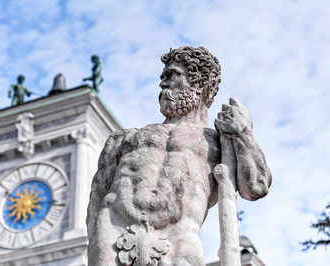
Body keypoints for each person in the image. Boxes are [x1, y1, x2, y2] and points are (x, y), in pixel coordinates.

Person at [86, 46, 272, 265]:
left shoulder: (219, 143)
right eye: (163, 77)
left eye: (172, 75)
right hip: (113, 236)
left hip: (179, 242)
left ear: (200, 83)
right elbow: (96, 199)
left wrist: (243, 133)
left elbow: (256, 187)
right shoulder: (124, 139)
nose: (163, 83)